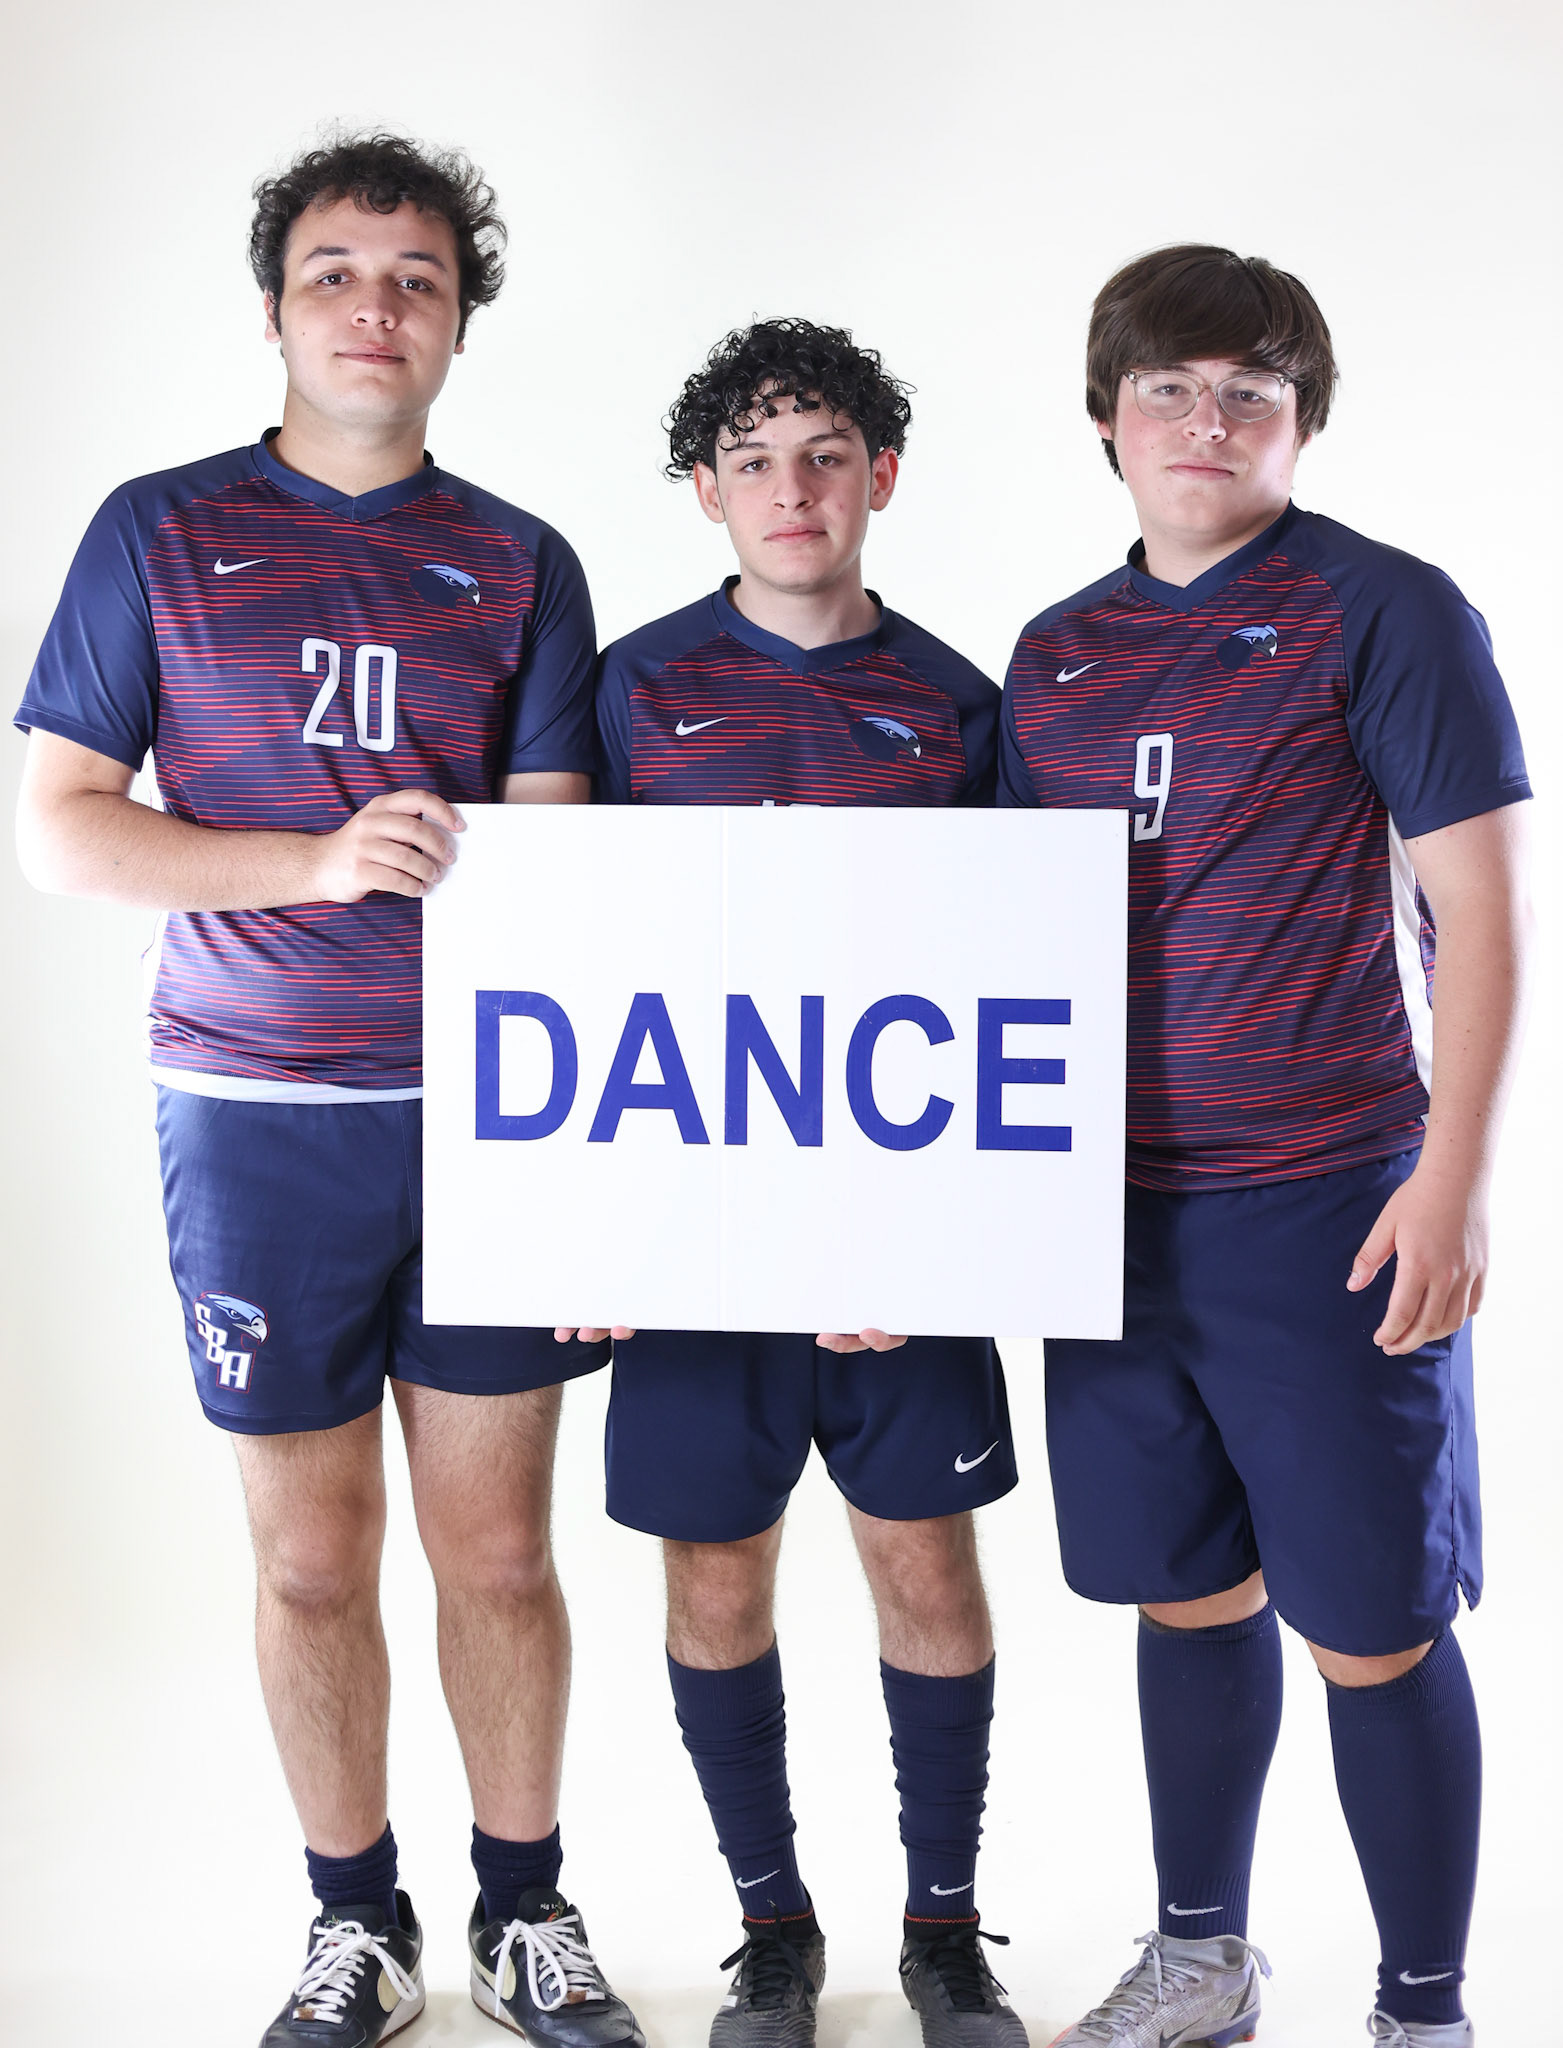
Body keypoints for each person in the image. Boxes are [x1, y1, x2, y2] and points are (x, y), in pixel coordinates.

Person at [13, 132, 643, 2048]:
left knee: (503, 1551)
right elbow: (60, 829)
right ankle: (351, 1922)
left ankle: (524, 1910)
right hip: (256, 1117)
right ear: (278, 301)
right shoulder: (156, 529)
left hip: (485, 1122)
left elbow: (563, 885)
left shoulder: (520, 558)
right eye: (338, 270)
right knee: (306, 1557)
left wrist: (603, 1164)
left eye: (419, 278)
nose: (377, 305)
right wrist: (306, 864)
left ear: (460, 321)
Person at [998, 245, 1532, 2048]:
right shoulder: (1055, 654)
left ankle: (1425, 2009)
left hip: (1325, 1202)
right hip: (1105, 1217)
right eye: (1171, 389)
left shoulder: (1383, 609)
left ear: (1301, 425)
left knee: (1370, 1623)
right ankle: (1205, 1962)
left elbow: (1482, 909)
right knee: (1184, 1591)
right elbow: (987, 947)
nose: (1208, 420)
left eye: (1250, 393)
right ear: (1107, 422)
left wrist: (1449, 1177)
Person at [564, 317, 1026, 2048]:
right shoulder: (626, 686)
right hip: (694, 1245)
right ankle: (771, 1929)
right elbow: (568, 957)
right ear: (705, 492)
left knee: (925, 1567)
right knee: (714, 1581)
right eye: (752, 458)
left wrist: (959, 1239)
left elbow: (1012, 991)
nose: (792, 486)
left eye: (825, 452)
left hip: (897, 1251)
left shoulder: (961, 704)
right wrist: (580, 1214)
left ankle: (944, 1924)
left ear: (881, 477)